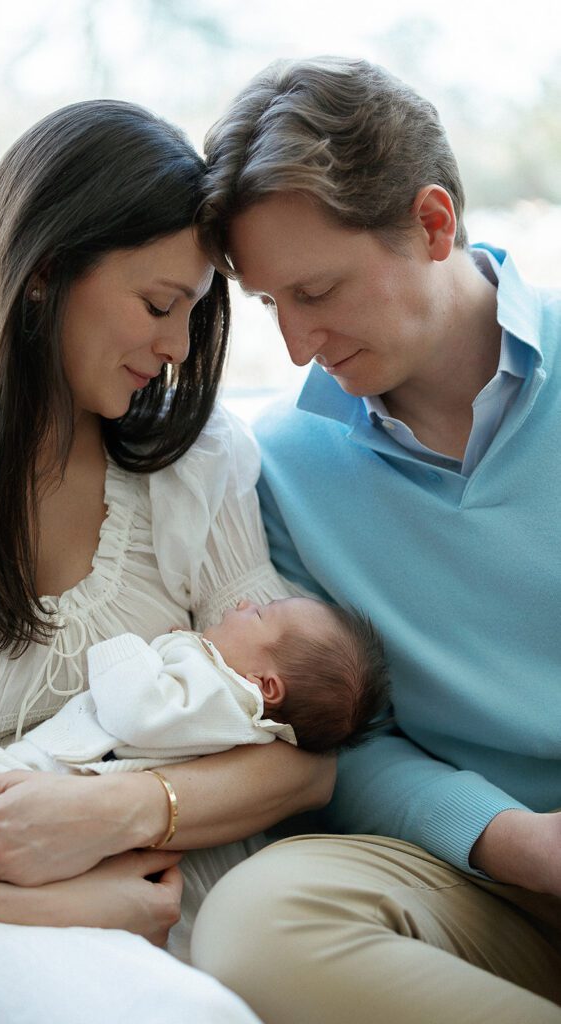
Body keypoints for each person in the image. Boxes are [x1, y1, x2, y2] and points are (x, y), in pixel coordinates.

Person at [0, 99, 337, 1024]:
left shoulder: (190, 469)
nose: (178, 350)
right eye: (156, 306)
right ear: (43, 272)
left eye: (194, 315)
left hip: (163, 894)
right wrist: (39, 903)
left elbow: (305, 761)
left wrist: (114, 812)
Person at [190, 55, 561, 1024]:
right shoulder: (279, 466)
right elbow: (344, 741)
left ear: (433, 223)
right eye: (273, 305)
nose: (299, 345)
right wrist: (512, 839)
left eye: (317, 290)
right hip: (486, 879)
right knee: (254, 925)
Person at [0, 595, 388, 861]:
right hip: (59, 778)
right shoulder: (220, 695)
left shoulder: (228, 699)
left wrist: (132, 644)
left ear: (266, 687)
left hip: (58, 779)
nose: (244, 605)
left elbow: (137, 714)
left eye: (261, 616)